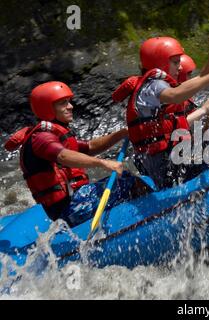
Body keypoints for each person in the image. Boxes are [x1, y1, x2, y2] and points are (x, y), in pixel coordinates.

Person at [112, 23, 209, 188]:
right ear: (161, 64)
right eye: (176, 62)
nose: (181, 67)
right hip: (170, 165)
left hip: (178, 157)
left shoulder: (159, 86)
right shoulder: (151, 87)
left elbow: (205, 76)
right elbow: (175, 97)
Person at [4, 81, 132, 227]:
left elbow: (89, 147)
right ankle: (152, 218)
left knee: (124, 178)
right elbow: (63, 157)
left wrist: (122, 133)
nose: (71, 106)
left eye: (69, 102)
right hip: (70, 209)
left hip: (74, 201)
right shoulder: (41, 138)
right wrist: (103, 162)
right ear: (48, 108)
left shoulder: (52, 133)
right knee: (128, 181)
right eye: (63, 103)